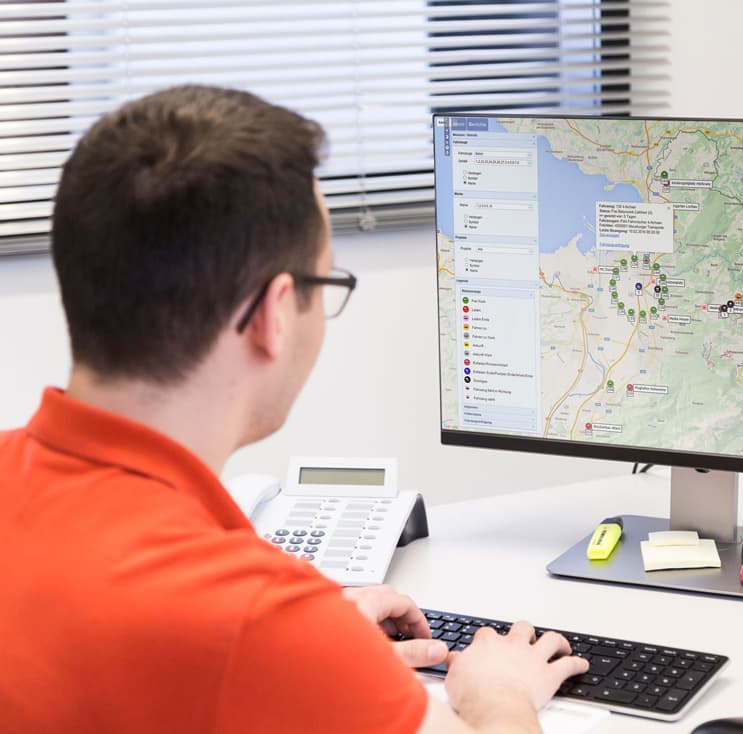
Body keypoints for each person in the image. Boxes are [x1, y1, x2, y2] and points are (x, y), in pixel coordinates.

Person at [0, 85, 588, 733]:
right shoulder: (256, 619)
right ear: (274, 314)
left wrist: (313, 645)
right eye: (325, 281)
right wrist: (499, 691)